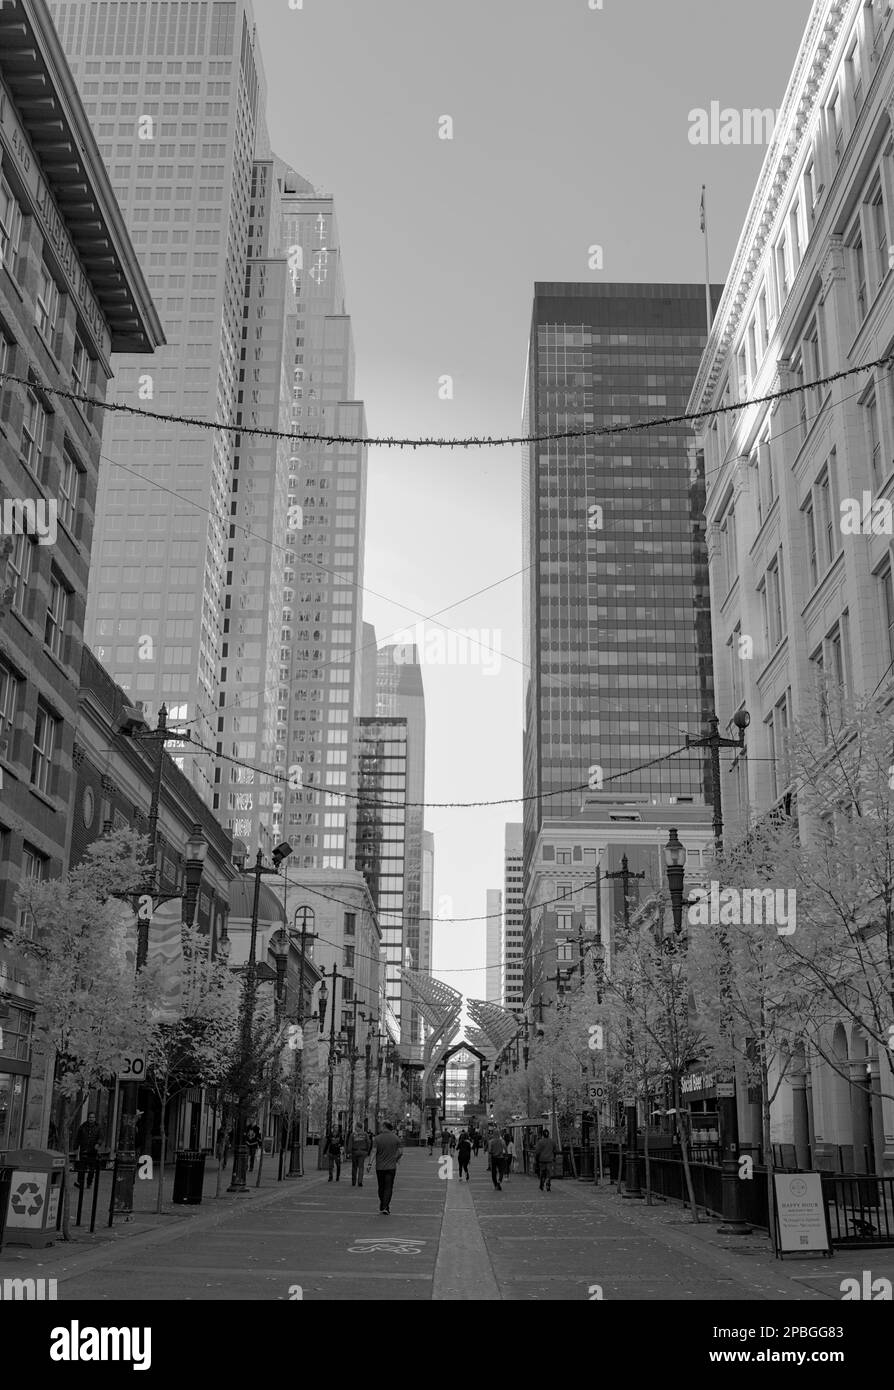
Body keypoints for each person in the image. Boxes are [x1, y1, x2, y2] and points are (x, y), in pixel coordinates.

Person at [369, 1120, 403, 1214]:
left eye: (381, 1126)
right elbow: (400, 1151)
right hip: (391, 1167)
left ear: (384, 1127)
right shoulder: (396, 1138)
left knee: (381, 1187)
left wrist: (369, 1164)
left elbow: (373, 1151)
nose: (380, 1128)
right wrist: (395, 1158)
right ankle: (385, 1206)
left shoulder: (377, 1138)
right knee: (389, 1187)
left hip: (380, 1167)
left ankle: (383, 1205)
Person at [75, 1111, 103, 1189]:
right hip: (83, 1150)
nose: (91, 1119)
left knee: (91, 1169)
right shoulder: (83, 1126)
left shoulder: (98, 1127)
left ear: (95, 1118)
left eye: (93, 1117)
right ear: (88, 1118)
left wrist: (98, 1143)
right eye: (90, 1117)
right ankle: (80, 1182)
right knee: (81, 1168)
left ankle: (89, 1182)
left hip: (93, 1151)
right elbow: (78, 1137)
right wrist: (76, 1147)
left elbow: (100, 1137)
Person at [533, 1127, 559, 1192]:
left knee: (542, 1173)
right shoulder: (552, 1141)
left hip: (542, 1160)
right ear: (548, 1134)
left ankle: (542, 1184)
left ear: (542, 1134)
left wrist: (536, 1159)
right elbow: (555, 1151)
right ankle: (548, 1184)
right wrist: (554, 1157)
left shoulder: (540, 1142)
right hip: (550, 1160)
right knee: (549, 1173)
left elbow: (537, 1152)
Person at [347, 1122, 372, 1186]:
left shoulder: (352, 1135)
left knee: (354, 1167)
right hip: (363, 1152)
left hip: (355, 1152)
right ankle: (360, 1181)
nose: (355, 1128)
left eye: (356, 1126)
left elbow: (350, 1144)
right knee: (361, 1167)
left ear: (359, 1127)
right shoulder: (365, 1134)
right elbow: (368, 1143)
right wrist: (367, 1151)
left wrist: (349, 1152)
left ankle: (353, 1181)